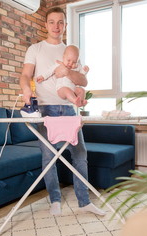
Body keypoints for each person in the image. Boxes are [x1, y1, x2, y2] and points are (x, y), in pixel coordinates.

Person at [19, 6, 105, 216]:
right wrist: (25, 91)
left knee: (80, 154)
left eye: (60, 22)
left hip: (69, 108)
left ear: (65, 26)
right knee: (49, 156)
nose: (56, 26)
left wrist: (68, 71)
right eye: (52, 22)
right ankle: (55, 199)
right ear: (46, 24)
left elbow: (83, 80)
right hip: (45, 108)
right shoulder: (35, 49)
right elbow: (25, 75)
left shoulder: (71, 51)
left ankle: (84, 201)